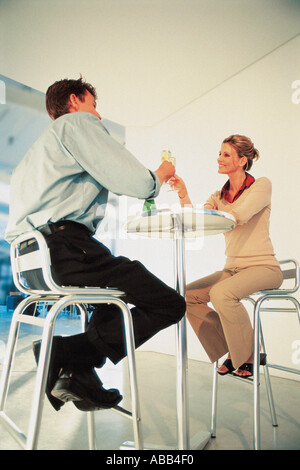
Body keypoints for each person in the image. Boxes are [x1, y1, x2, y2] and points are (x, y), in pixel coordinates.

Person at [5, 77, 186, 411]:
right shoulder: (77, 123)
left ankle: (79, 375)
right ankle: (65, 352)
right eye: (93, 104)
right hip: (66, 247)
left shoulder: (34, 155)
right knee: (170, 304)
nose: (98, 115)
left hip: (34, 260)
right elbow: (135, 182)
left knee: (104, 305)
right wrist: (160, 173)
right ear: (75, 100)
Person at [170, 134, 283, 378]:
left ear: (243, 160)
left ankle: (248, 352)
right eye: (220, 153)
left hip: (264, 268)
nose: (219, 158)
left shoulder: (261, 185)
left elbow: (240, 215)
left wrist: (218, 211)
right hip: (233, 269)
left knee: (222, 293)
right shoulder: (218, 196)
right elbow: (196, 222)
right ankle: (236, 349)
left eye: (226, 154)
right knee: (187, 295)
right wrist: (183, 194)